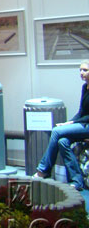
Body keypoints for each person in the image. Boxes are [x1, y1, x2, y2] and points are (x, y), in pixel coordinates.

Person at [34, 60, 89, 191]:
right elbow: (81, 112)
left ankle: (43, 170)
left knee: (56, 131)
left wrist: (73, 123)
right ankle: (77, 181)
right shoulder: (84, 87)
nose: (81, 73)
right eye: (80, 70)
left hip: (87, 125)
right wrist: (68, 123)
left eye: (85, 70)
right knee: (62, 142)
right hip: (83, 124)